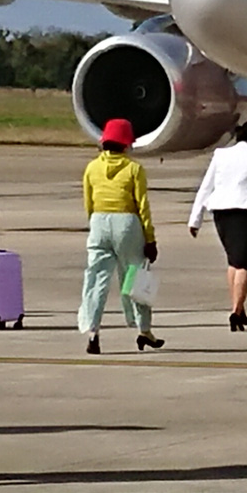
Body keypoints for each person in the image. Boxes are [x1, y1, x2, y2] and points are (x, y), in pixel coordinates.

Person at [79, 118, 163, 354]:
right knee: (136, 277)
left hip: (98, 221)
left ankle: (92, 331)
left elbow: (88, 202)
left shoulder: (91, 168)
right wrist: (150, 238)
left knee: (96, 280)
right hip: (127, 222)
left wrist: (96, 224)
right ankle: (144, 329)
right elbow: (142, 206)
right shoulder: (134, 169)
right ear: (126, 144)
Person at [188, 120, 247, 331]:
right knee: (244, 264)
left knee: (233, 262)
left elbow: (206, 187)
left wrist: (195, 219)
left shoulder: (221, 154)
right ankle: (236, 312)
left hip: (221, 214)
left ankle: (237, 307)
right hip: (245, 213)